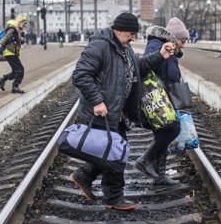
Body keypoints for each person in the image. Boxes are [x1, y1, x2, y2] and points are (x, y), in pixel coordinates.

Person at [69, 12, 177, 210]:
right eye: (130, 34)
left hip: (117, 112)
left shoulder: (124, 49)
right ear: (118, 31)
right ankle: (112, 196)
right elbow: (80, 75)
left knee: (114, 152)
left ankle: (87, 178)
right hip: (102, 112)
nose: (133, 38)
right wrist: (97, 101)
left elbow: (139, 67)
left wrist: (161, 55)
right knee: (116, 153)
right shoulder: (99, 46)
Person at [136, 16, 190, 190]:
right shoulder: (156, 45)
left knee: (165, 134)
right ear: (174, 37)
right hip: (157, 98)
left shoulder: (171, 48)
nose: (184, 44)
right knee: (171, 129)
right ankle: (145, 160)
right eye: (183, 40)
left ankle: (159, 176)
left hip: (165, 97)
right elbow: (145, 66)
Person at [0, 14, 27, 94]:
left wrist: (21, 38)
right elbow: (7, 36)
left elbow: (20, 41)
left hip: (12, 52)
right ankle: (15, 86)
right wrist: (0, 43)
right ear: (20, 22)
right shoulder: (13, 29)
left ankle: (2, 79)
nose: (25, 26)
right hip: (10, 52)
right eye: (24, 24)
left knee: (15, 72)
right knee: (20, 70)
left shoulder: (18, 31)